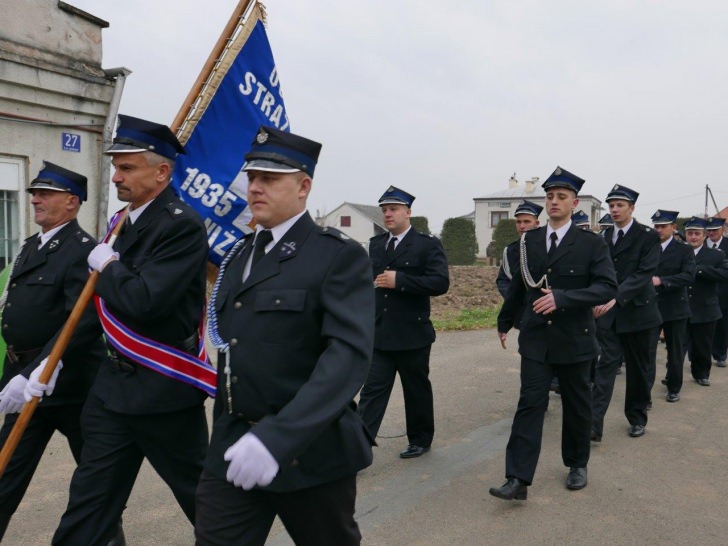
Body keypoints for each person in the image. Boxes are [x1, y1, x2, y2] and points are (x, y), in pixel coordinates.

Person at [195, 126, 375, 546]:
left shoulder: (337, 255)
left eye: (270, 179)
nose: (255, 187)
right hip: (235, 447)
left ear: (303, 187)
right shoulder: (240, 254)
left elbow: (346, 358)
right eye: (252, 178)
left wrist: (277, 438)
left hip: (310, 452)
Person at [52, 115, 210, 545]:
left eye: (127, 168)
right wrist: (48, 364)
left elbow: (145, 300)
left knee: (206, 507)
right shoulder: (121, 222)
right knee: (88, 504)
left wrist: (109, 266)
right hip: (112, 389)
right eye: (116, 167)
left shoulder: (181, 225)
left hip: (165, 389)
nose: (116, 177)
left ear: (162, 172)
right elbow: (96, 308)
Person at [0, 163, 122, 542]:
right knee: (4, 475)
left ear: (72, 202)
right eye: (34, 192)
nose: (35, 199)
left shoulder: (84, 250)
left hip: (72, 388)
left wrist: (38, 370)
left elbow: (82, 321)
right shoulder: (31, 246)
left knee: (94, 489)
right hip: (27, 381)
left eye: (45, 194)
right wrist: (20, 375)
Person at [491, 166, 616, 500]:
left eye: (561, 197)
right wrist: (505, 322)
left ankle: (576, 464)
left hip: (575, 338)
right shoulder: (529, 240)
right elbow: (519, 286)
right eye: (550, 196)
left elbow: (606, 287)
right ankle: (517, 478)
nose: (554, 202)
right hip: (536, 339)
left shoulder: (591, 243)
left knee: (577, 403)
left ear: (575, 203)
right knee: (530, 403)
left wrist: (564, 298)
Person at [358, 186, 449, 459]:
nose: (388, 214)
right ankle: (357, 447)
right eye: (384, 210)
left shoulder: (426, 244)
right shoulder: (376, 245)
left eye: (394, 209)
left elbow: (440, 283)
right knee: (372, 392)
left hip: (412, 334)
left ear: (408, 212)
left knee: (416, 390)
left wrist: (401, 281)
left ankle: (420, 440)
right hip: (381, 334)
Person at [591, 185, 661, 440]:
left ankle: (637, 417)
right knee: (605, 367)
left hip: (640, 314)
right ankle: (594, 423)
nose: (615, 210)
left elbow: (644, 274)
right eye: (611, 205)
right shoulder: (603, 238)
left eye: (620, 205)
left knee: (638, 370)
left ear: (632, 208)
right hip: (610, 316)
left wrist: (616, 297)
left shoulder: (647, 236)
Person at [649, 210, 695, 403]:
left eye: (663, 226)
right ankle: (644, 395)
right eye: (657, 226)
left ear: (673, 227)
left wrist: (662, 280)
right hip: (650, 308)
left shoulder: (684, 250)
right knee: (647, 353)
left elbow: (688, 276)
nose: (659, 230)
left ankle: (674, 387)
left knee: (675, 352)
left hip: (675, 308)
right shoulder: (648, 248)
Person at [683, 217, 728, 386]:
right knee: (678, 346)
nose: (693, 237)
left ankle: (701, 373)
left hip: (705, 305)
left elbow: (724, 274)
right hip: (681, 304)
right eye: (690, 233)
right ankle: (672, 376)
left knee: (702, 344)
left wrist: (699, 270)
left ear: (703, 236)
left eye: (697, 234)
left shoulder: (716, 255)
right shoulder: (679, 251)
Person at [496, 200, 542, 299]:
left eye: (526, 221)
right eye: (518, 222)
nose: (522, 226)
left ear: (537, 223)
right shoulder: (510, 251)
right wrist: (513, 298)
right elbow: (503, 280)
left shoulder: (546, 246)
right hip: (517, 306)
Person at [706, 217, 728, 367]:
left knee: (723, 324)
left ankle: (720, 353)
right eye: (710, 230)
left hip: (724, 290)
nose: (712, 233)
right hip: (704, 289)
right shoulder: (700, 244)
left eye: (715, 230)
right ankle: (701, 355)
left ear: (723, 230)